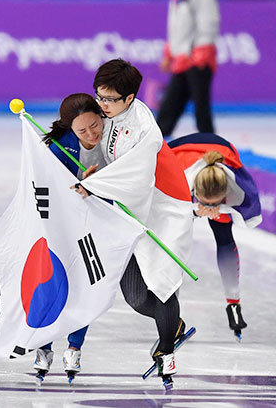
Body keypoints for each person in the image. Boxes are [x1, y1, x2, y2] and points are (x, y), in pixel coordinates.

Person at [77, 59, 194, 385]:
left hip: (165, 210)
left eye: (110, 99)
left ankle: (166, 352)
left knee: (160, 281)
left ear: (130, 99)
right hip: (130, 207)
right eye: (99, 96)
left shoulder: (144, 130)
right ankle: (174, 325)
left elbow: (135, 179)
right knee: (137, 297)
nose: (102, 104)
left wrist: (94, 186)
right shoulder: (110, 112)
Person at [32, 93, 107, 380]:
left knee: (85, 287)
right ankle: (44, 345)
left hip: (97, 226)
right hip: (62, 227)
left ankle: (75, 348)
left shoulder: (115, 144)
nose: (91, 134)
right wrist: (78, 184)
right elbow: (47, 189)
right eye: (82, 131)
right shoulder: (60, 148)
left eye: (94, 125)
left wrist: (99, 188)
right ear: (70, 130)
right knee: (54, 286)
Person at [168, 133, 262, 340]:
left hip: (223, 152)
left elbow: (250, 214)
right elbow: (162, 210)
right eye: (206, 202)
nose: (211, 208)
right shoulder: (178, 176)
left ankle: (234, 304)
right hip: (177, 154)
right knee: (175, 238)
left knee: (224, 234)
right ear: (194, 192)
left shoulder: (238, 184)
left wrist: (217, 208)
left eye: (216, 203)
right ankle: (170, 314)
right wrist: (194, 211)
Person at [156, 0, 220, 138]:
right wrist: (170, 53)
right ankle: (155, 144)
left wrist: (197, 54)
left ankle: (212, 147)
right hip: (182, 59)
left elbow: (209, 24)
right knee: (170, 106)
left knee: (201, 109)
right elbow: (177, 28)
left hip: (197, 61)